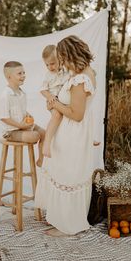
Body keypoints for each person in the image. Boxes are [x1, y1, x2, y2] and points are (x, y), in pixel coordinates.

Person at [35, 35, 97, 236]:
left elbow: (77, 114)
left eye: (63, 58)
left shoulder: (81, 79)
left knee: (69, 176)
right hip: (69, 131)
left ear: (70, 55)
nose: (62, 63)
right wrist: (56, 104)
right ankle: (61, 220)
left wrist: (55, 105)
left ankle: (69, 226)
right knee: (63, 173)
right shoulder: (84, 72)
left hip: (73, 133)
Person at [0, 61, 45, 167]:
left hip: (23, 126)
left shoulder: (21, 93)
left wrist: (28, 115)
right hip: (12, 131)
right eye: (19, 73)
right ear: (9, 76)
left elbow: (21, 111)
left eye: (24, 73)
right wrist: (21, 125)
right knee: (35, 136)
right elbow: (4, 117)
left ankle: (41, 160)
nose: (23, 76)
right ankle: (27, 133)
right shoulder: (6, 95)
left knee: (44, 133)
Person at [40, 45, 70, 158]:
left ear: (60, 59)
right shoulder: (48, 75)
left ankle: (89, 138)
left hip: (65, 102)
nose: (49, 67)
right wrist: (49, 96)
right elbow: (42, 89)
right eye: (47, 64)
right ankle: (46, 144)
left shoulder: (66, 71)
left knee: (76, 112)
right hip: (53, 101)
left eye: (52, 63)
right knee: (57, 116)